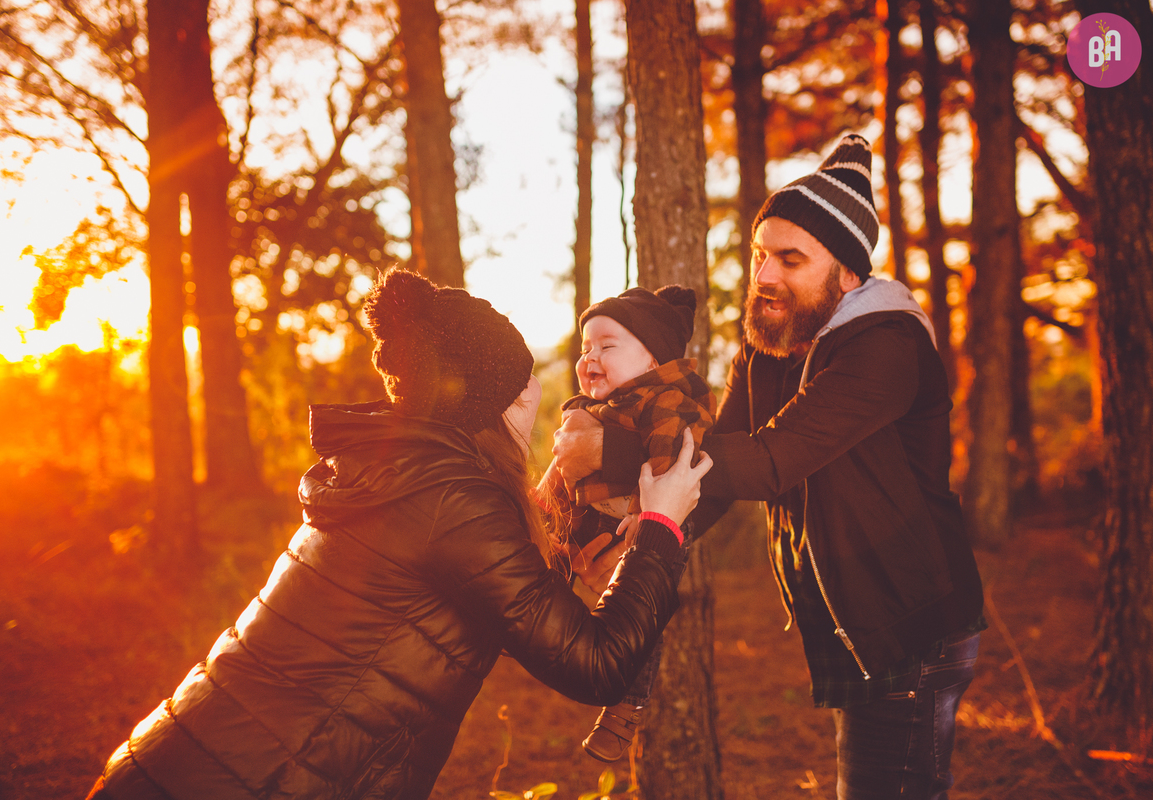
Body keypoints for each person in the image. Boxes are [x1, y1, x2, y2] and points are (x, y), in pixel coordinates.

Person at [86, 269, 712, 800]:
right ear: (485, 408)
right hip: (253, 779)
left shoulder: (391, 471)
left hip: (186, 760)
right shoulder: (453, 499)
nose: (537, 417)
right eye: (526, 400)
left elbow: (448, 613)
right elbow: (596, 667)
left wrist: (589, 574)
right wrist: (660, 526)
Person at [552, 133, 985, 800]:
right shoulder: (772, 343)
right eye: (760, 256)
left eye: (790, 259)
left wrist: (610, 451)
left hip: (910, 623)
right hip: (853, 614)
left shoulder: (887, 348)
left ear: (847, 274)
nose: (765, 277)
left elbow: (773, 459)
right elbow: (714, 455)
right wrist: (644, 532)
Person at [541, 284, 714, 763]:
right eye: (585, 348)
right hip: (593, 518)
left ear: (652, 359)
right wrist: (541, 507)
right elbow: (560, 471)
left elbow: (669, 462)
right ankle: (527, 623)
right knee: (544, 565)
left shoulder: (665, 402)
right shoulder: (585, 408)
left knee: (643, 614)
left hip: (653, 525)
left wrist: (649, 520)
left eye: (607, 346)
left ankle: (624, 708)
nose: (590, 357)